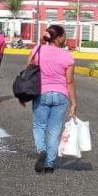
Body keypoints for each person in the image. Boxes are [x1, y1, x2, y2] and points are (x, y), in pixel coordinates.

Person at [25, 25, 77, 174]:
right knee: (54, 131)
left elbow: (28, 69)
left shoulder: (37, 50)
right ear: (59, 38)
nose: (66, 38)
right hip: (61, 96)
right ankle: (49, 164)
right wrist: (74, 104)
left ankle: (42, 150)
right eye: (64, 35)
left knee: (39, 126)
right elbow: (70, 82)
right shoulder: (68, 56)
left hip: (41, 93)